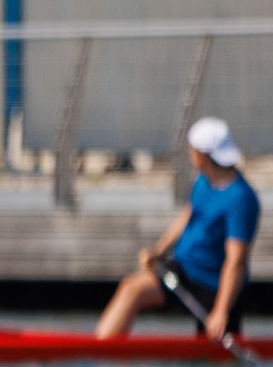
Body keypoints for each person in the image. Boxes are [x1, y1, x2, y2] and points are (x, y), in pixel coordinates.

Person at [97, 117, 259, 342]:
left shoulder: (241, 199)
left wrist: (221, 311)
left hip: (215, 288)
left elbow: (236, 261)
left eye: (192, 150)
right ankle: (99, 350)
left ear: (204, 155)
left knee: (214, 360)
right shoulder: (203, 181)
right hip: (183, 271)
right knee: (131, 289)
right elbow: (187, 216)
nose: (190, 155)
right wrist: (159, 250)